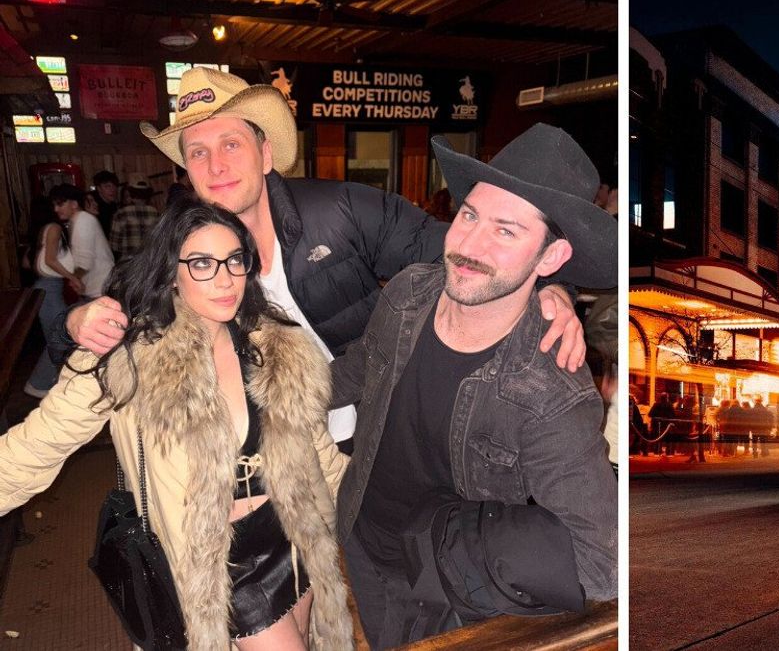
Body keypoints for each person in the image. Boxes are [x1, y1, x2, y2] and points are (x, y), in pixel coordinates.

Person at [66, 67, 584, 452]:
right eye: (197, 152)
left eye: (231, 144)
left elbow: (462, 250)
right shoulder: (178, 245)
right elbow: (115, 308)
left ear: (266, 154)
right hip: (272, 443)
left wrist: (550, 289)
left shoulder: (343, 209)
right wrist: (75, 320)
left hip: (372, 425)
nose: (216, 165)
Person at [0, 199, 351, 649]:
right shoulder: (130, 357)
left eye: (235, 260)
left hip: (293, 537)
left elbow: (317, 450)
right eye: (202, 263)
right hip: (222, 562)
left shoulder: (274, 344)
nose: (225, 279)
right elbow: (38, 445)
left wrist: (373, 512)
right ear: (170, 271)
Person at [332, 123, 617, 648]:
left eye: (505, 231)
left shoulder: (550, 391)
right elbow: (355, 372)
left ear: (551, 258)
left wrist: (462, 544)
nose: (467, 244)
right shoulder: (409, 294)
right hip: (359, 539)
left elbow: (601, 564)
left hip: (445, 595)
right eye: (468, 215)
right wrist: (253, 393)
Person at [23, 196, 84, 398]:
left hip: (45, 287)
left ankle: (47, 382)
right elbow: (49, 260)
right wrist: (72, 277)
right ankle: (38, 383)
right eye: (56, 205)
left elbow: (27, 263)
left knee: (58, 337)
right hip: (50, 289)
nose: (58, 208)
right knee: (61, 338)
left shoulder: (42, 230)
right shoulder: (54, 228)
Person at [49, 184, 114, 300]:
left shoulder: (83, 220)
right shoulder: (78, 219)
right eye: (54, 205)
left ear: (74, 204)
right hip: (99, 287)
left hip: (100, 289)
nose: (56, 209)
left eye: (60, 204)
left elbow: (84, 262)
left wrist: (74, 279)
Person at [109, 181, 161, 262]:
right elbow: (160, 240)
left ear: (131, 195)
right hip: (150, 261)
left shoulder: (120, 214)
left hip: (129, 262)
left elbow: (114, 245)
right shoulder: (156, 213)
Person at [90, 169, 121, 236]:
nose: (112, 189)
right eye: (107, 186)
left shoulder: (113, 205)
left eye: (114, 185)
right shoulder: (95, 207)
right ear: (99, 188)